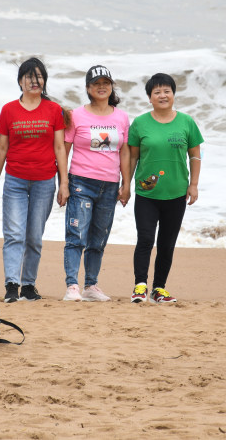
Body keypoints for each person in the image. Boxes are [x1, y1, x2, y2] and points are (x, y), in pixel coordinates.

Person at [0, 57, 69, 303]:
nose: (34, 81)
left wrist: (64, 183)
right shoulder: (8, 110)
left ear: (44, 81)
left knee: (35, 236)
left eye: (39, 77)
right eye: (29, 77)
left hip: (44, 181)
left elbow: (60, 147)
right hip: (15, 180)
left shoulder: (53, 110)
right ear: (20, 81)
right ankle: (11, 284)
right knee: (15, 233)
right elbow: (2, 148)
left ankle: (28, 285)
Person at [128, 73, 203, 304]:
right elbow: (132, 158)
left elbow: (195, 156)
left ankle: (159, 289)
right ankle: (140, 286)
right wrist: (125, 186)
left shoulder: (186, 122)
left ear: (173, 94)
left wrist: (194, 185)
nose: (162, 95)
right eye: (157, 92)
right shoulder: (140, 123)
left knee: (167, 244)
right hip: (146, 193)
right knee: (145, 239)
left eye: (166, 91)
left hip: (177, 192)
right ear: (149, 97)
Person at [62, 65, 131, 302]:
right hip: (81, 182)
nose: (102, 87)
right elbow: (64, 149)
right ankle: (72, 286)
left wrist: (126, 184)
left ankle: (91, 285)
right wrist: (63, 183)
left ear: (111, 87)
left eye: (106, 83)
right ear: (88, 88)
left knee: (99, 239)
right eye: (96, 83)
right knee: (76, 235)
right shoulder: (76, 115)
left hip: (110, 185)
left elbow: (124, 153)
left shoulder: (121, 117)